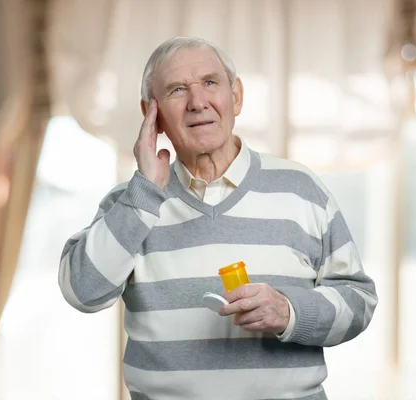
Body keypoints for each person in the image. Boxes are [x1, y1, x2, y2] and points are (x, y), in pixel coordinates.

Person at [58, 36, 378, 400]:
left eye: (210, 83)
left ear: (236, 96)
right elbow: (82, 292)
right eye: (178, 90)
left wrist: (288, 311)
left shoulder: (300, 188)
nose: (198, 103)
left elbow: (359, 300)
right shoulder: (130, 202)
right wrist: (145, 191)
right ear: (152, 112)